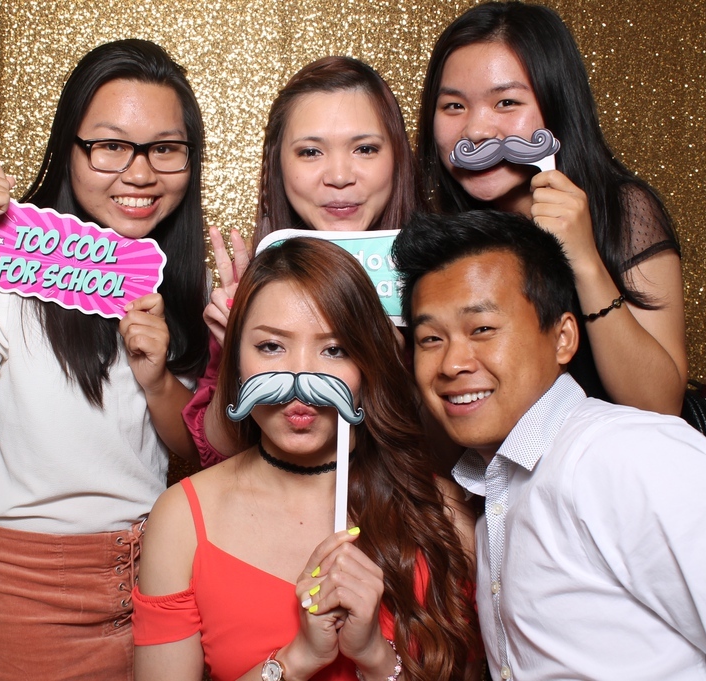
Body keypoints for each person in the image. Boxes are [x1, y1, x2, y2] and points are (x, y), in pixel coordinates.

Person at [0, 39, 209, 679]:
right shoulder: (4, 269)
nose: (141, 173)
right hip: (29, 586)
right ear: (69, 148)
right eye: (111, 145)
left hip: (161, 569)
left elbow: (195, 447)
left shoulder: (183, 279)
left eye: (165, 148)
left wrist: (157, 382)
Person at [393, 210, 706, 681]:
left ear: (563, 337)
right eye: (430, 339)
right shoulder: (496, 501)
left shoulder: (626, 456)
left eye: (482, 329)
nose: (452, 363)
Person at [133, 238, 479, 681]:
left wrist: (375, 657)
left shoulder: (444, 513)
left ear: (368, 364)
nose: (300, 377)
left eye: (334, 350)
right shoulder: (181, 518)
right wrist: (297, 659)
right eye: (271, 347)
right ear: (235, 359)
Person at [416, 1, 687, 415]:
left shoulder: (623, 211)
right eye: (454, 106)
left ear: (556, 106)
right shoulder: (437, 237)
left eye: (506, 102)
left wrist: (585, 260)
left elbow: (660, 405)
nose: (476, 131)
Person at [187, 56, 417, 466]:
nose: (339, 176)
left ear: (398, 155)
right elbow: (220, 454)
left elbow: (462, 457)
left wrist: (395, 370)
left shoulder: (446, 276)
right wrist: (239, 352)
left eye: (365, 148)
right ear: (278, 164)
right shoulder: (254, 284)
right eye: (310, 152)